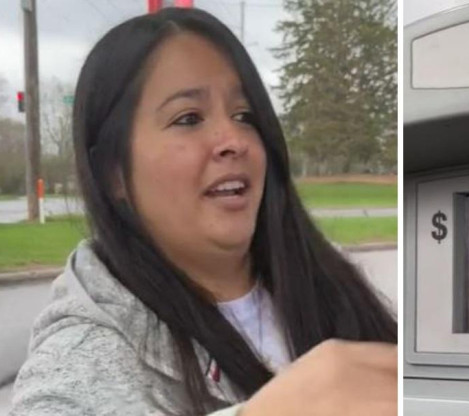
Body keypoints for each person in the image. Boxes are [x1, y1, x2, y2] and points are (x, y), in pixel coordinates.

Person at [9, 7, 397, 416]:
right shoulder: (83, 353)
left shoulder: (329, 280)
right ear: (113, 173)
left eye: (244, 116)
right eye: (188, 118)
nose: (233, 139)